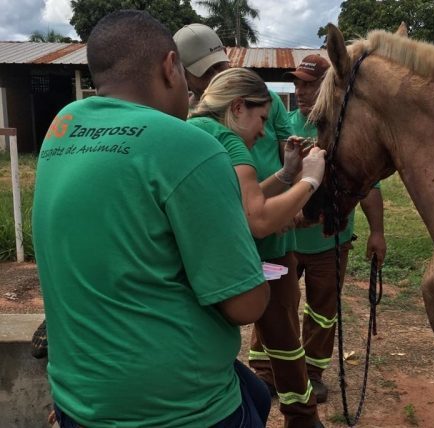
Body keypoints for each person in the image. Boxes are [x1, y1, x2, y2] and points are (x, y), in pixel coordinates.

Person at [32, 10, 271, 428]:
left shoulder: (62, 128)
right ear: (169, 66)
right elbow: (246, 304)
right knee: (254, 398)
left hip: (79, 399)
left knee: (253, 391)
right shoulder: (190, 146)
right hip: (178, 408)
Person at [175, 25, 326, 428]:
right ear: (238, 107)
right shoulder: (227, 140)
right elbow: (255, 218)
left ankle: (293, 409)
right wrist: (309, 180)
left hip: (216, 255)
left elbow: (239, 202)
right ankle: (301, 416)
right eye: (260, 117)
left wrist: (285, 176)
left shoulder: (192, 127)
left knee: (264, 342)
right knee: (269, 325)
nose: (262, 128)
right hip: (244, 249)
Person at [285, 55, 387, 403]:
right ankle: (269, 372)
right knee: (278, 305)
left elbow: (368, 185)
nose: (300, 90)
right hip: (287, 239)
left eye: (309, 83)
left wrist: (377, 232)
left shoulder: (346, 129)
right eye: (297, 83)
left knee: (322, 311)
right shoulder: (284, 123)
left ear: (329, 85)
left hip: (331, 242)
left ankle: (312, 374)